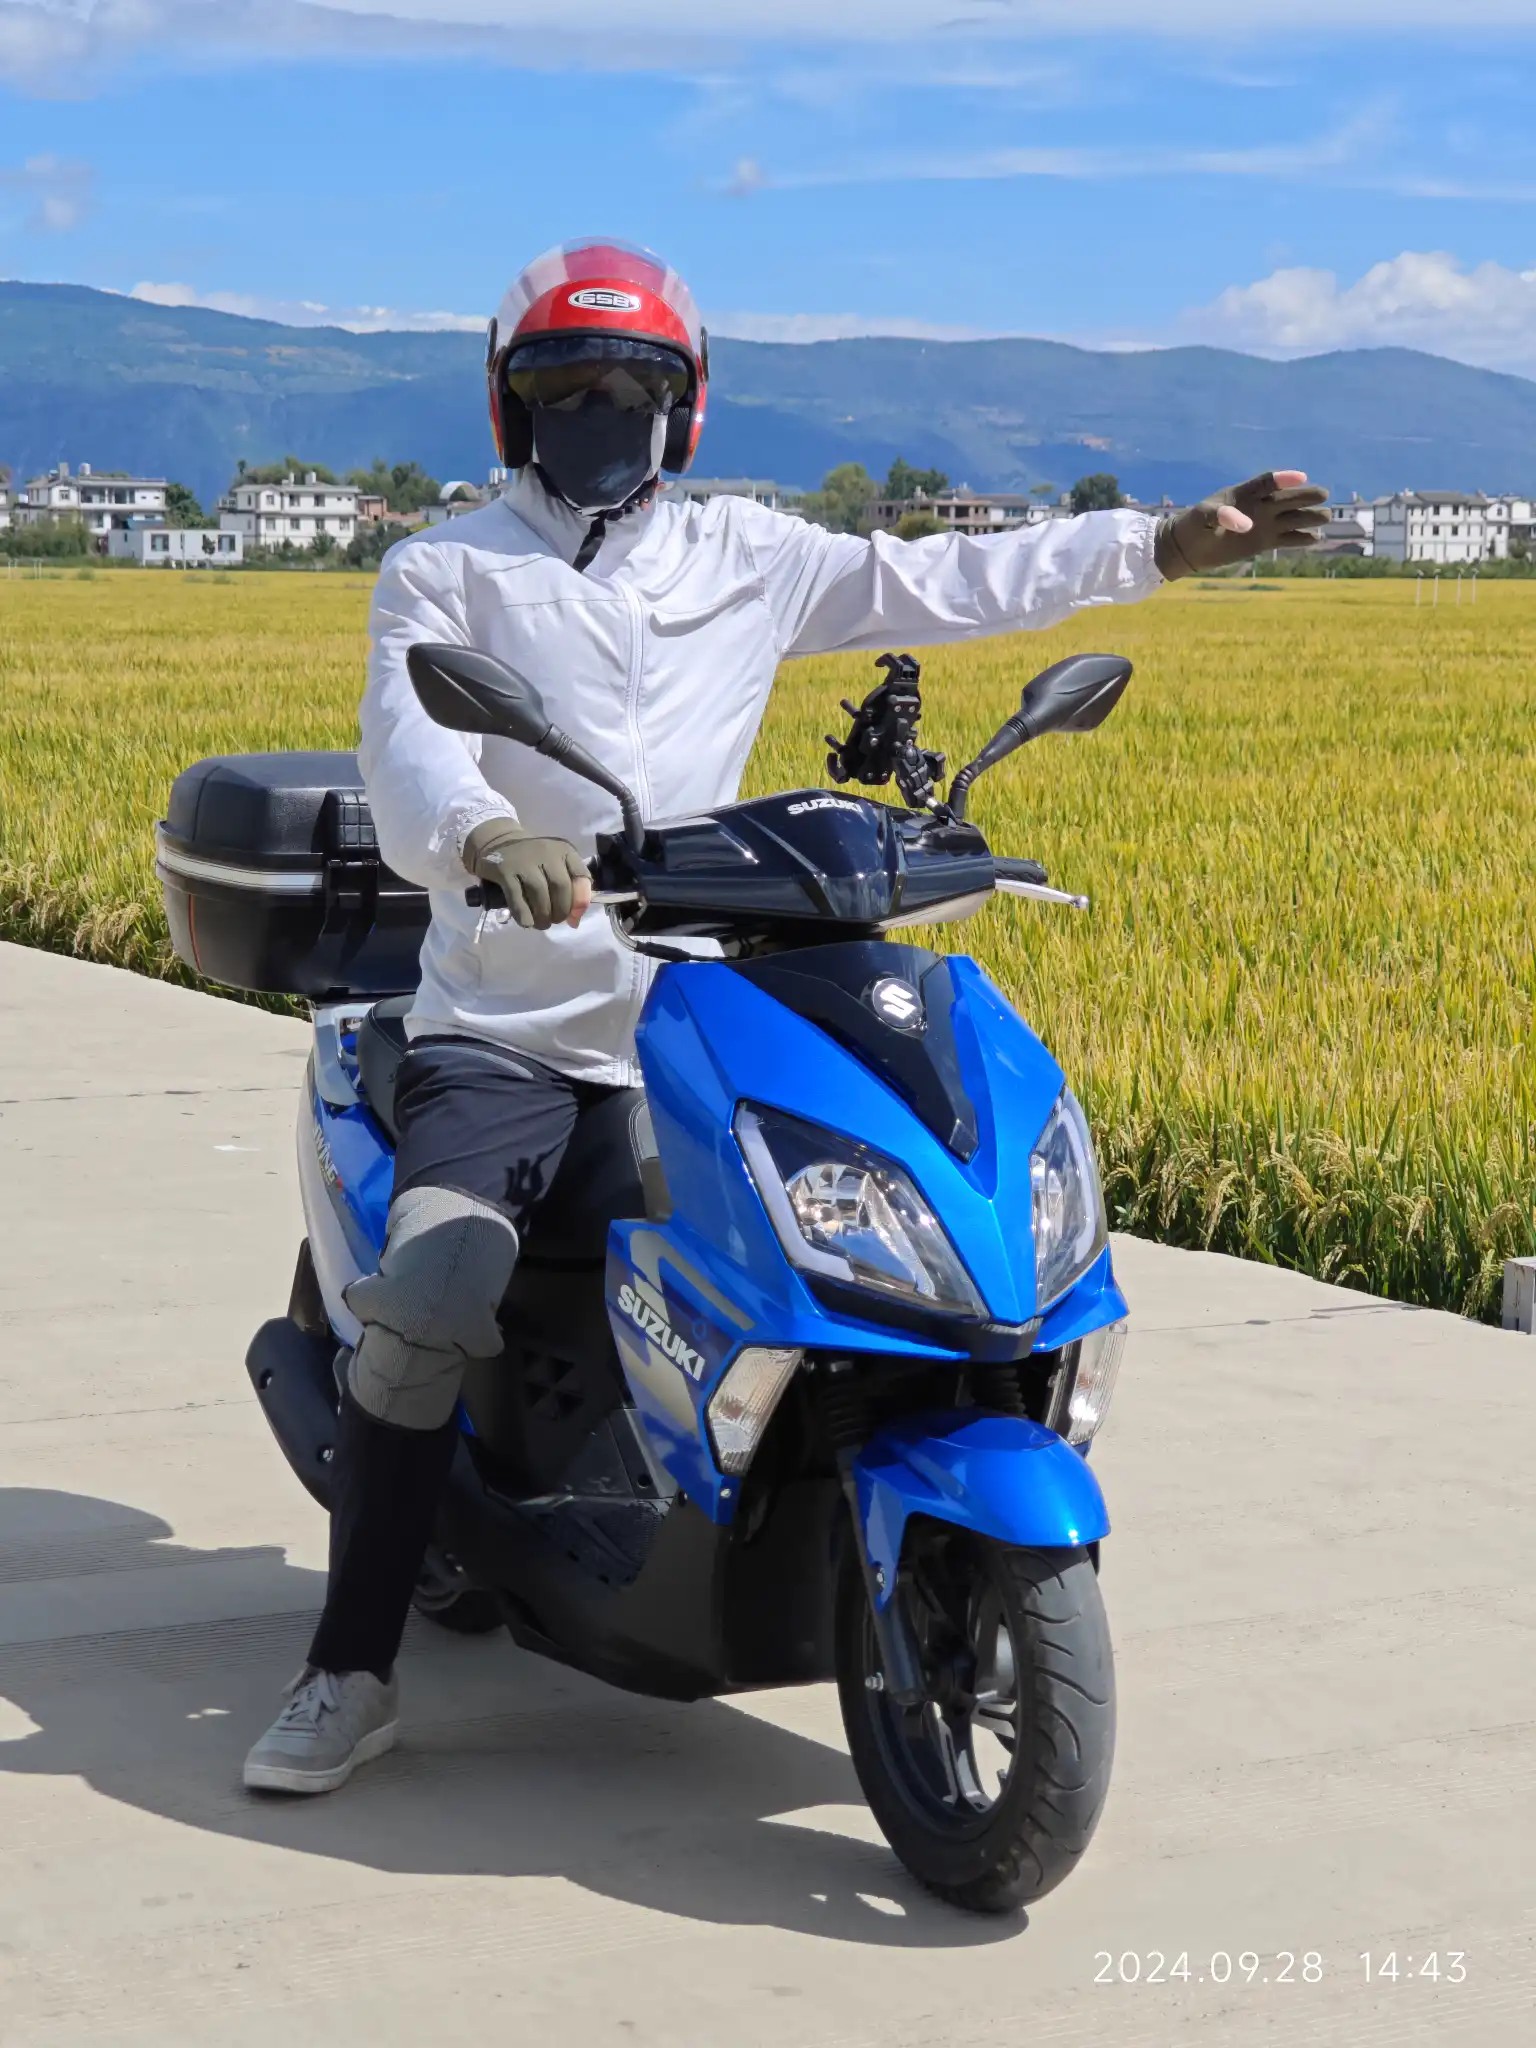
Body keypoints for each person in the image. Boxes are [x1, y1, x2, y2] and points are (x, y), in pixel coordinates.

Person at [243, 238, 1328, 1794]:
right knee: (433, 1289)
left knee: (850, 1235)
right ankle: (349, 1668)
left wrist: (1161, 544)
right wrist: (486, 836)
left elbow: (949, 579)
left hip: (698, 1002)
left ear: (684, 408)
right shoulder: (448, 569)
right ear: (511, 404)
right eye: (567, 385)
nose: (601, 409)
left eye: (633, 385)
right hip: (516, 1026)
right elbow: (413, 746)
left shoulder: (743, 555)